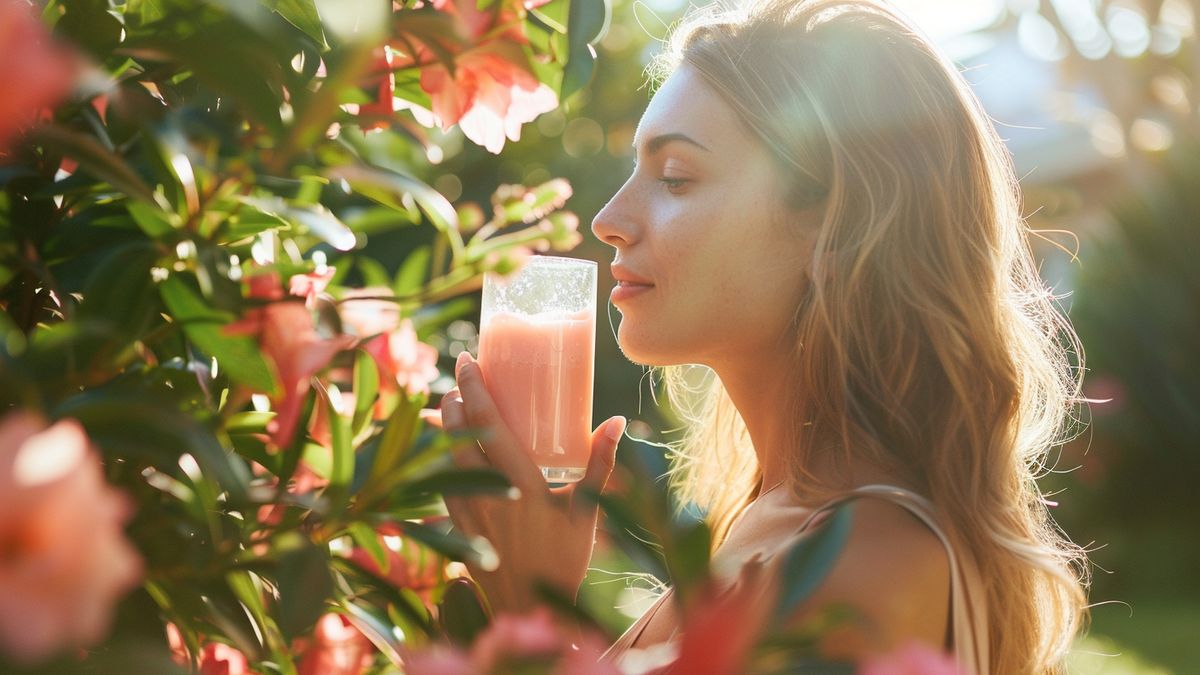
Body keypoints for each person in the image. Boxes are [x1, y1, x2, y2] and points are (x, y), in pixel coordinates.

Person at [430, 0, 1091, 672]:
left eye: (676, 178)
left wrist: (530, 607)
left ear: (833, 225)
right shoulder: (777, 519)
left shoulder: (864, 567)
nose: (608, 219)